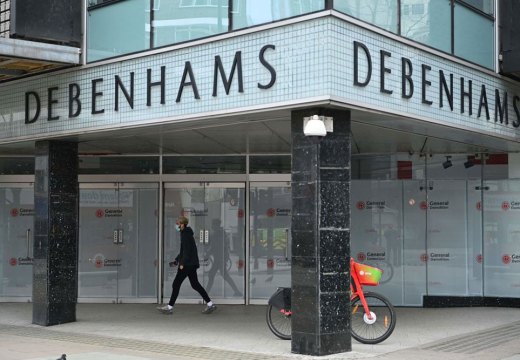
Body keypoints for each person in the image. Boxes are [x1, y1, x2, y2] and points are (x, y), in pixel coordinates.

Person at [157, 216, 216, 315]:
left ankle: (169, 307)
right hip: (191, 264)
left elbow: (187, 252)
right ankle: (210, 304)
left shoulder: (185, 235)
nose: (176, 225)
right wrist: (176, 260)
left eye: (177, 223)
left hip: (187, 264)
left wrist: (182, 263)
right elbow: (184, 251)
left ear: (182, 224)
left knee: (176, 284)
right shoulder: (186, 233)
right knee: (195, 284)